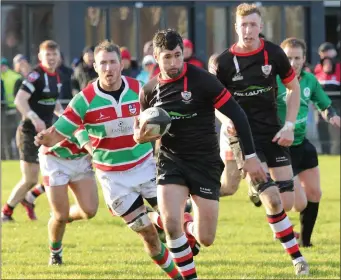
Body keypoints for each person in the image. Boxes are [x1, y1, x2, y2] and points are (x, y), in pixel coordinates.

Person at [34, 40, 182, 279]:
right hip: (114, 179)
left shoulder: (140, 89)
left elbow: (164, 117)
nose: (108, 68)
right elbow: (56, 135)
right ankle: (177, 275)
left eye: (113, 62)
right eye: (103, 63)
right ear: (95, 66)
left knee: (174, 219)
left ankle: (187, 264)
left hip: (145, 167)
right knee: (149, 236)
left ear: (121, 64)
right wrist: (43, 138)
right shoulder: (84, 100)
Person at [134, 29, 266, 280]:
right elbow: (140, 132)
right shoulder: (149, 90)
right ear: (156, 56)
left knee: (206, 238)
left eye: (177, 56)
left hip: (205, 162)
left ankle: (184, 224)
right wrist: (140, 138)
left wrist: (249, 157)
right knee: (171, 226)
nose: (173, 63)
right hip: (171, 161)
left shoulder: (203, 81)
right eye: (167, 57)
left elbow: (238, 115)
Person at [209, 3, 308, 275]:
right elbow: (214, 102)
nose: (248, 30)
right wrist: (227, 120)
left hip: (272, 133)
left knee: (286, 203)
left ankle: (257, 190)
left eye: (253, 25)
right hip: (243, 137)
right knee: (274, 201)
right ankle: (298, 260)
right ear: (236, 27)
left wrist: (289, 125)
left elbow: (293, 87)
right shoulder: (223, 62)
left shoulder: (274, 53)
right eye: (243, 25)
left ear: (261, 27)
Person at [277, 37, 341, 247]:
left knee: (315, 193)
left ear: (304, 59)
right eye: (288, 58)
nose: (293, 62)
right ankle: (277, 222)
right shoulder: (273, 80)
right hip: (280, 147)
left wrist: (331, 116)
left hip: (302, 143)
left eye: (297, 58)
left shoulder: (310, 80)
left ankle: (305, 242)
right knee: (297, 202)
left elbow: (324, 104)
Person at [1, 40, 64, 222]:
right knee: (30, 178)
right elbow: (20, 99)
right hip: (29, 132)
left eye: (54, 55)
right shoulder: (35, 75)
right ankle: (6, 212)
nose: (51, 58)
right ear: (40, 57)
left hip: (46, 134)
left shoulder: (57, 77)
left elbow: (54, 103)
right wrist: (33, 117)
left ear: (58, 57)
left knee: (60, 171)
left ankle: (30, 198)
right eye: (48, 55)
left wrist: (67, 117)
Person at [39, 127, 98, 265]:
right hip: (54, 157)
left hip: (81, 157)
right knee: (60, 217)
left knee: (89, 211)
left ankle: (62, 214)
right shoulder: (82, 105)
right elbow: (79, 128)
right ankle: (55, 253)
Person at [1, 57, 22, 160]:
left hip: (15, 108)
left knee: (16, 133)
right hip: (4, 109)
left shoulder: (15, 76)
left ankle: (17, 156)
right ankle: (6, 156)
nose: (2, 67)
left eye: (3, 65)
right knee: (5, 135)